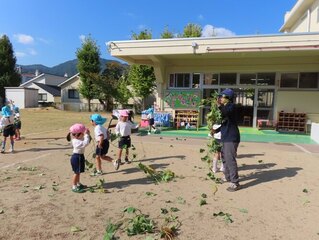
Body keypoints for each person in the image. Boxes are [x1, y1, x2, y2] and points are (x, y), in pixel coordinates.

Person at [218, 89, 241, 192]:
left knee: (230, 159)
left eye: (222, 97)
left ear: (227, 98)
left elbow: (226, 112)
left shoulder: (231, 107)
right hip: (225, 136)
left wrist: (220, 106)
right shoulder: (225, 107)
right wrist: (216, 130)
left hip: (231, 137)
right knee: (224, 158)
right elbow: (225, 122)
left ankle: (235, 182)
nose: (220, 99)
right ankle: (227, 177)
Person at [67, 123, 91, 193]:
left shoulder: (79, 138)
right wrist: (87, 135)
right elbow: (85, 143)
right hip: (76, 157)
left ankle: (78, 183)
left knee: (79, 172)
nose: (83, 134)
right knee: (76, 172)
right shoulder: (75, 141)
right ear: (78, 134)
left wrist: (87, 134)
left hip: (80, 156)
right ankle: (74, 186)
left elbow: (86, 140)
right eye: (82, 133)